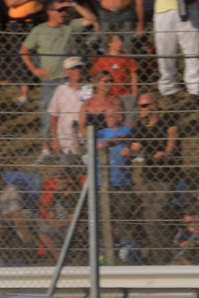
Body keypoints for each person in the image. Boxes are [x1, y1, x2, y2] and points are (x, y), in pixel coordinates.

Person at [20, 0, 98, 162]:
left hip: (73, 79)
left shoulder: (70, 26)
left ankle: (81, 146)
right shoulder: (39, 30)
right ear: (50, 12)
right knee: (47, 114)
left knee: (82, 111)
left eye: (65, 10)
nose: (64, 13)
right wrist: (34, 70)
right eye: (60, 10)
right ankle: (46, 149)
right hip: (50, 81)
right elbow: (24, 50)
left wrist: (74, 5)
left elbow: (91, 19)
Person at [129, 91, 182, 261]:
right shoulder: (142, 124)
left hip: (166, 176)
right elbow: (136, 146)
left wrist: (167, 151)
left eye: (144, 106)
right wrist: (128, 151)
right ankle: (160, 254)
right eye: (139, 106)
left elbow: (172, 137)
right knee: (151, 219)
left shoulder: (167, 119)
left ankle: (161, 257)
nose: (140, 109)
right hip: (149, 175)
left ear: (154, 105)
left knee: (154, 218)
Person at [139, 0, 199, 101]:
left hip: (190, 7)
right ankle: (168, 88)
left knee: (193, 51)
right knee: (165, 53)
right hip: (164, 9)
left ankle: (195, 89)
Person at [96, 107, 138, 245]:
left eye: (110, 116)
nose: (106, 119)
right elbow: (88, 143)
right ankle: (107, 246)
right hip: (104, 183)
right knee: (105, 217)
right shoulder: (100, 133)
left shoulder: (127, 130)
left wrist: (107, 143)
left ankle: (127, 246)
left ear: (120, 117)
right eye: (106, 117)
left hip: (122, 183)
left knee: (124, 216)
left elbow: (123, 137)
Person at [47, 56, 88, 162]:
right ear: (66, 72)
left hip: (84, 140)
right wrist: (54, 139)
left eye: (79, 67)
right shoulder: (61, 90)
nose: (77, 71)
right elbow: (53, 117)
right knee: (68, 172)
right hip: (65, 141)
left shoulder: (87, 88)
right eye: (73, 68)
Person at [78, 68, 123, 143]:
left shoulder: (115, 100)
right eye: (106, 81)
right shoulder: (87, 103)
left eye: (111, 81)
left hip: (109, 141)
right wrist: (91, 139)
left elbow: (121, 121)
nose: (109, 84)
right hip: (90, 140)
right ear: (96, 83)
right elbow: (82, 126)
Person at [91, 33, 138, 102]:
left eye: (121, 40)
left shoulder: (127, 56)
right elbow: (95, 74)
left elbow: (134, 76)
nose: (120, 43)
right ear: (109, 43)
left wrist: (134, 94)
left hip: (125, 94)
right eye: (116, 41)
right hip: (110, 95)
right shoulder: (104, 59)